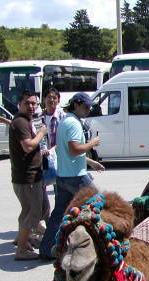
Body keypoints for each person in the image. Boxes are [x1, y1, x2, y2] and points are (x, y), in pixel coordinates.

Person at [39, 92, 105, 260]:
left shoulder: (65, 121)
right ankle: (103, 246)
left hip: (64, 175)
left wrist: (90, 162)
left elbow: (66, 151)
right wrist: (92, 143)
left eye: (90, 106)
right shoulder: (74, 124)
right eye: (86, 106)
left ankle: (47, 248)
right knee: (98, 205)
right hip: (76, 177)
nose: (89, 110)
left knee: (60, 212)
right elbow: (74, 149)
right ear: (76, 105)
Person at [9, 90, 50, 260]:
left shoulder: (23, 121)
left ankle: (23, 242)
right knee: (31, 215)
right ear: (19, 103)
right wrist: (42, 133)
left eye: (34, 103)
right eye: (28, 103)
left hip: (28, 177)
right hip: (27, 178)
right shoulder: (20, 122)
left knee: (27, 212)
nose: (32, 106)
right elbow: (28, 146)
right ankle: (21, 251)